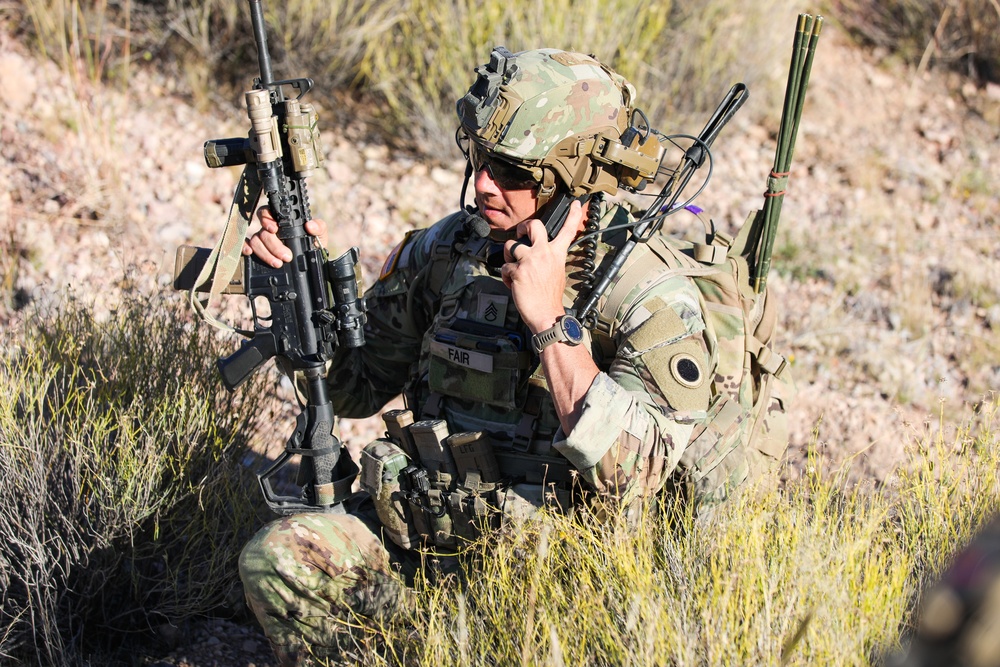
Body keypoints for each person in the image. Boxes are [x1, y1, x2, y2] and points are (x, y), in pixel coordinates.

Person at [238, 46, 792, 665]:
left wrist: (552, 324)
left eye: (513, 170)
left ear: (569, 180)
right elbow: (355, 389)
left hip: (561, 595)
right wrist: (300, 294)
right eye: (479, 157)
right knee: (281, 561)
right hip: (426, 549)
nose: (482, 184)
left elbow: (635, 475)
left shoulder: (648, 294)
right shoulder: (451, 251)